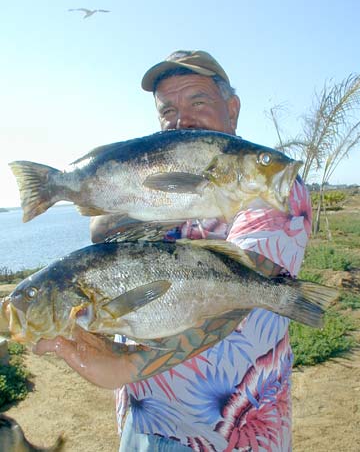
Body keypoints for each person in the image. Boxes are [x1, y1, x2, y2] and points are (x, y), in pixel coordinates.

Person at [34, 50, 312, 451]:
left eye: (198, 102)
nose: (182, 120)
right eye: (168, 111)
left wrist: (127, 365)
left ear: (231, 109)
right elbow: (103, 235)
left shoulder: (271, 189)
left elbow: (245, 289)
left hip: (228, 430)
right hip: (143, 417)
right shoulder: (157, 193)